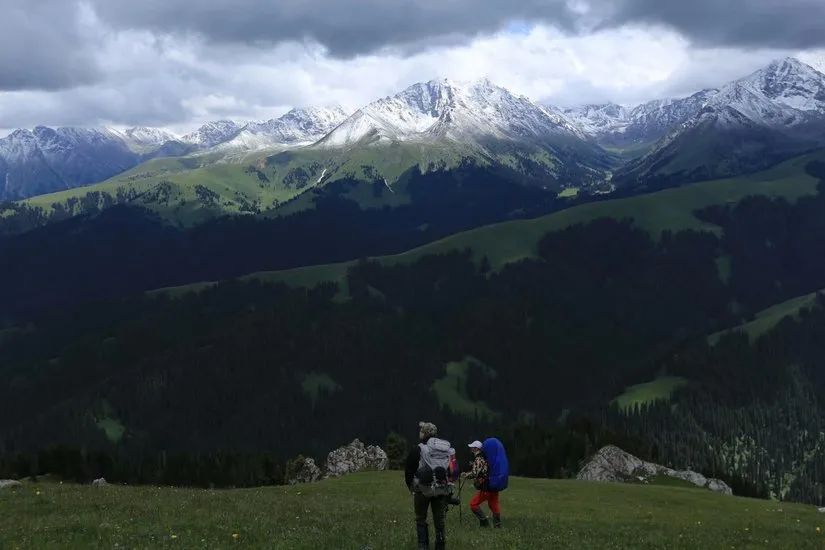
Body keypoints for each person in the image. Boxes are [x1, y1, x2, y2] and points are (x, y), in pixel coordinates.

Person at [405, 421, 451, 550]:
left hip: (423, 489)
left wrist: (411, 486)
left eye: (421, 431)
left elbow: (409, 470)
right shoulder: (444, 450)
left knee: (421, 518)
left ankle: (423, 545)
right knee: (439, 519)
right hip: (441, 488)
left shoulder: (419, 448)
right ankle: (440, 545)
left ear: (424, 433)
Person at [462, 440, 502, 528]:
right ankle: (497, 526)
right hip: (494, 484)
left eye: (472, 447)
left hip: (486, 486)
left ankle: (484, 523)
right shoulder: (486, 457)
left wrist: (466, 475)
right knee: (494, 504)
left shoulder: (478, 458)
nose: (471, 449)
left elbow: (475, 473)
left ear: (476, 448)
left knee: (473, 504)